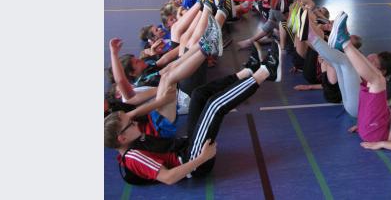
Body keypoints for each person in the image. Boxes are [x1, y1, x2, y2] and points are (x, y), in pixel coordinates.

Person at [104, 51, 280, 184]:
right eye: (130, 124)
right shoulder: (133, 157)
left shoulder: (131, 141)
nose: (135, 122)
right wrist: (202, 158)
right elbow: (168, 178)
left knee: (199, 95)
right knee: (214, 106)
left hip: (187, 147)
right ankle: (266, 72)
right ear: (122, 138)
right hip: (193, 161)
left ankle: (247, 72)